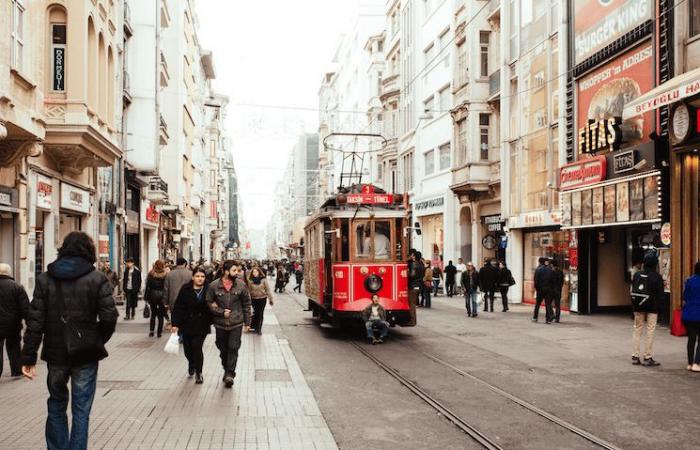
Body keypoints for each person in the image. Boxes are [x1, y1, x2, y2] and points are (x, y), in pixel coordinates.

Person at [21, 231, 118, 450]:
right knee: (81, 409)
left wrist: (28, 357)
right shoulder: (97, 278)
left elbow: (35, 320)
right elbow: (109, 317)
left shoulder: (45, 279)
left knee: (56, 403)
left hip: (56, 354)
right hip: (86, 354)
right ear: (89, 250)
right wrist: (95, 339)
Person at [206, 260, 251, 388]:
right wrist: (220, 312)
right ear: (226, 271)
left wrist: (247, 322)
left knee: (233, 347)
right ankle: (227, 368)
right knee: (222, 347)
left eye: (238, 270)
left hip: (236, 322)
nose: (237, 273)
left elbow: (247, 304)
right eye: (234, 270)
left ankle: (230, 373)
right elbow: (208, 303)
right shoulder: (214, 286)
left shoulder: (241, 285)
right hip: (220, 324)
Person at [172, 267, 212, 384]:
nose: (200, 279)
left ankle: (199, 373)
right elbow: (178, 307)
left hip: (202, 324)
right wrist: (175, 323)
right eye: (198, 276)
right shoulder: (186, 289)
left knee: (197, 347)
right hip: (186, 324)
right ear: (193, 277)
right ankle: (191, 363)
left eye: (202, 277)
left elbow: (214, 305)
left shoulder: (208, 289)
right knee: (187, 349)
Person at [630, 253, 665, 367]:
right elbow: (660, 295)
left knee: (637, 329)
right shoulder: (657, 276)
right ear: (655, 263)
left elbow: (633, 289)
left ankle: (635, 356)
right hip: (652, 307)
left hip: (638, 306)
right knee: (650, 330)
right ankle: (647, 357)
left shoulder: (637, 274)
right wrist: (661, 309)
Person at [0, 263, 30, 378]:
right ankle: (16, 370)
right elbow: (25, 308)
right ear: (9, 273)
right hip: (13, 324)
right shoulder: (17, 287)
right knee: (14, 347)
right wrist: (29, 322)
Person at [682, 262, 700, 372]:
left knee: (691, 339)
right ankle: (697, 363)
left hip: (688, 314)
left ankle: (689, 363)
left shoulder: (689, 280)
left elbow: (685, 297)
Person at [144, 260, 168, 337]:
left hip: (152, 296)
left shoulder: (151, 274)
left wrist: (146, 297)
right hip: (162, 296)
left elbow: (147, 286)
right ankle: (159, 333)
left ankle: (151, 331)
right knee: (161, 315)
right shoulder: (165, 274)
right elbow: (166, 287)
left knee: (153, 314)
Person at [164, 257, 193, 321]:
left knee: (174, 319)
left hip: (173, 300)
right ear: (185, 263)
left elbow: (166, 289)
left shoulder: (170, 274)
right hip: (187, 300)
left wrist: (165, 302)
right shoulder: (190, 274)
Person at [248, 267, 274, 334]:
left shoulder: (263, 280)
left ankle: (259, 329)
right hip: (254, 299)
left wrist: (270, 299)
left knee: (260, 313)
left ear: (259, 272)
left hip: (262, 299)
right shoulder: (250, 281)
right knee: (255, 313)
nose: (255, 273)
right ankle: (255, 326)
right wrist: (248, 300)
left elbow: (267, 289)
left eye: (256, 272)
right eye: (253, 272)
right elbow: (248, 291)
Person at [532, 258, 554, 323]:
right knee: (547, 304)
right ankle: (548, 319)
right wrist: (551, 289)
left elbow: (536, 281)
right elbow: (553, 281)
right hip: (548, 290)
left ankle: (535, 317)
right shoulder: (551, 270)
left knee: (537, 304)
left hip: (540, 290)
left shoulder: (538, 270)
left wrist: (537, 289)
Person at [407, 250, 424, 326]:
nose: (412, 257)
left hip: (413, 286)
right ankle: (413, 320)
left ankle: (412, 320)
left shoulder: (414, 264)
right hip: (419, 285)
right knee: (413, 303)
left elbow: (412, 275)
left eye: (413, 256)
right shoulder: (421, 264)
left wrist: (407, 272)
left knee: (412, 304)